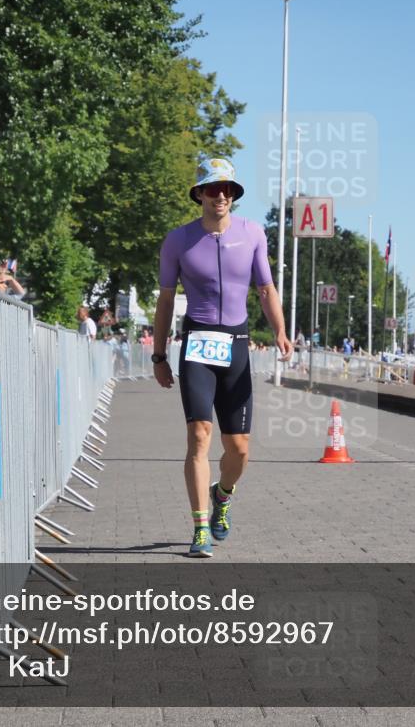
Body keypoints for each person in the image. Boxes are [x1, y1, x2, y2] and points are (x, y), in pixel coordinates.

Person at [152, 158, 292, 558]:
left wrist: (280, 330)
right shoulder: (178, 240)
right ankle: (199, 529)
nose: (222, 196)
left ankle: (223, 495)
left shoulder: (251, 234)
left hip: (236, 343)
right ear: (199, 193)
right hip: (196, 343)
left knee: (241, 448)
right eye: (214, 189)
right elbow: (165, 301)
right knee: (198, 436)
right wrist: (159, 355)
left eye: (228, 190)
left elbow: (266, 288)